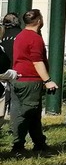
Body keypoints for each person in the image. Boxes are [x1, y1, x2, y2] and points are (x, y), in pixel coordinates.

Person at [9, 9, 58, 155]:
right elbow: (37, 62)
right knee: (26, 113)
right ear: (38, 21)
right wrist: (48, 80)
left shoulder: (20, 36)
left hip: (18, 78)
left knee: (33, 114)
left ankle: (39, 143)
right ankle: (17, 146)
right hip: (30, 80)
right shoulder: (34, 38)